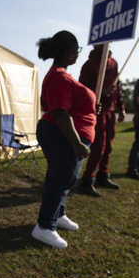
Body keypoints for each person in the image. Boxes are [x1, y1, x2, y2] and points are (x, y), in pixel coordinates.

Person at [32, 31, 96, 249]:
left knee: (63, 177)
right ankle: (44, 226)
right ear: (70, 53)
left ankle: (58, 215)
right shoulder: (59, 76)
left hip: (62, 132)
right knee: (62, 178)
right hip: (60, 132)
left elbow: (72, 106)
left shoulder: (61, 75)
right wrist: (77, 143)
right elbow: (60, 112)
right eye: (77, 51)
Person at [77, 45, 126, 197]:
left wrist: (121, 107)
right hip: (96, 111)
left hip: (110, 111)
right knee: (99, 147)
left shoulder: (114, 62)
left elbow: (117, 86)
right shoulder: (89, 65)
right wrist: (101, 92)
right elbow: (82, 90)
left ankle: (103, 175)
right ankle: (87, 179)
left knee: (108, 147)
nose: (106, 44)